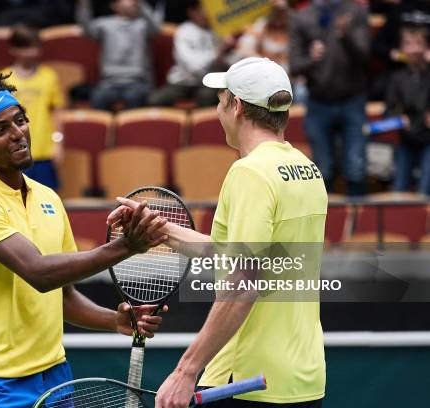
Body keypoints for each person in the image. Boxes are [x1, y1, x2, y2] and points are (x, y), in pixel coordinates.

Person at [109, 57, 327, 407]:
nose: (217, 107)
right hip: (301, 377)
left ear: (237, 106)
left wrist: (186, 370)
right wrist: (158, 228)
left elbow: (244, 281)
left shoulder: (250, 173)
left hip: (245, 380)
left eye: (220, 98)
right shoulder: (307, 170)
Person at [0, 75, 168, 407]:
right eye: (2, 130)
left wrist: (113, 319)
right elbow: (40, 273)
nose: (18, 132)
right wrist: (125, 246)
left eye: (20, 121)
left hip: (54, 374)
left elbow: (63, 296)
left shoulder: (47, 197)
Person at [289, 0, 369, 196]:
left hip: (352, 100)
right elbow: (295, 65)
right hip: (318, 102)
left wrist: (346, 36)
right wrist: (311, 58)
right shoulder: (302, 17)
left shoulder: (355, 12)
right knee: (322, 170)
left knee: (356, 168)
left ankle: (359, 225)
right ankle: (325, 225)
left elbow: (365, 56)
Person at [0, 25, 65, 191]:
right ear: (14, 49)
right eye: (27, 47)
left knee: (47, 199)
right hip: (14, 151)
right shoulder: (2, 79)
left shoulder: (49, 76)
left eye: (35, 46)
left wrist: (58, 142)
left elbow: (57, 112)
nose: (32, 52)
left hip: (43, 151)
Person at [76, 0, 161, 110]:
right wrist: (84, 5)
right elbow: (86, 30)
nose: (130, 2)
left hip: (138, 83)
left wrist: (141, 4)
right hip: (109, 83)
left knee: (134, 98)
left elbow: (156, 29)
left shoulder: (143, 25)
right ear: (114, 6)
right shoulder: (105, 24)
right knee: (98, 97)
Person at [148, 0, 231, 108]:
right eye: (203, 9)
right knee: (155, 99)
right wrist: (217, 53)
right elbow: (193, 67)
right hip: (183, 82)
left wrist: (229, 49)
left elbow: (231, 64)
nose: (208, 13)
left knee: (207, 96)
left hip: (209, 82)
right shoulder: (184, 31)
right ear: (192, 12)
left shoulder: (219, 31)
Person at [385, 26, 430, 195]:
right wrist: (399, 118)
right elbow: (388, 111)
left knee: (425, 189)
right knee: (399, 188)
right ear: (402, 49)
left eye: (419, 44)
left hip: (428, 138)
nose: (414, 49)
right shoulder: (397, 77)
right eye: (408, 44)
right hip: (407, 138)